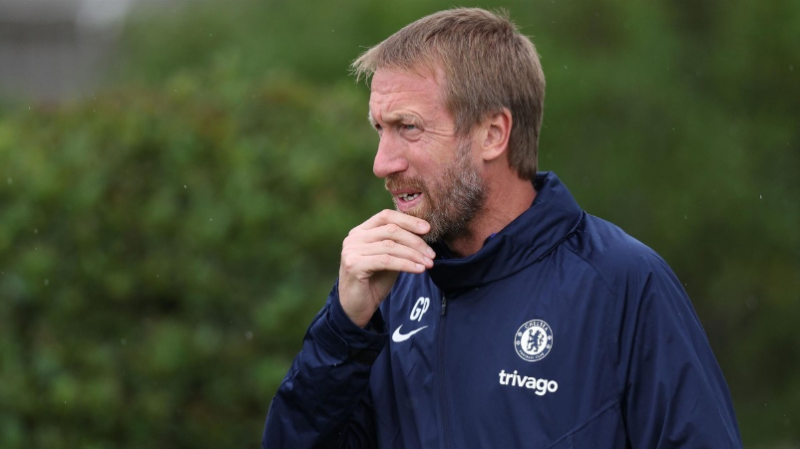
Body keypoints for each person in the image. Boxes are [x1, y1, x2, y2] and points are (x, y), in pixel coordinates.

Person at [262, 8, 742, 449]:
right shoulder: (387, 295)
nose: (382, 163)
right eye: (379, 129)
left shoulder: (623, 282)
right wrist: (343, 331)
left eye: (408, 127)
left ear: (492, 135)